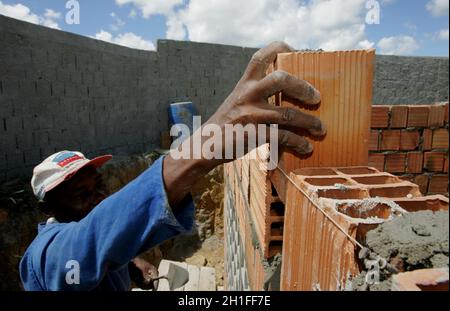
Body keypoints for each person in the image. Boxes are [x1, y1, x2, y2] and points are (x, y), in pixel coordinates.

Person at [19, 42, 326, 291]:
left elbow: (105, 242)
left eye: (98, 186)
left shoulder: (97, 239)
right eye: (80, 194)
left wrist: (133, 262)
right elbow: (88, 243)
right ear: (49, 210)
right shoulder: (45, 257)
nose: (98, 197)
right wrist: (202, 151)